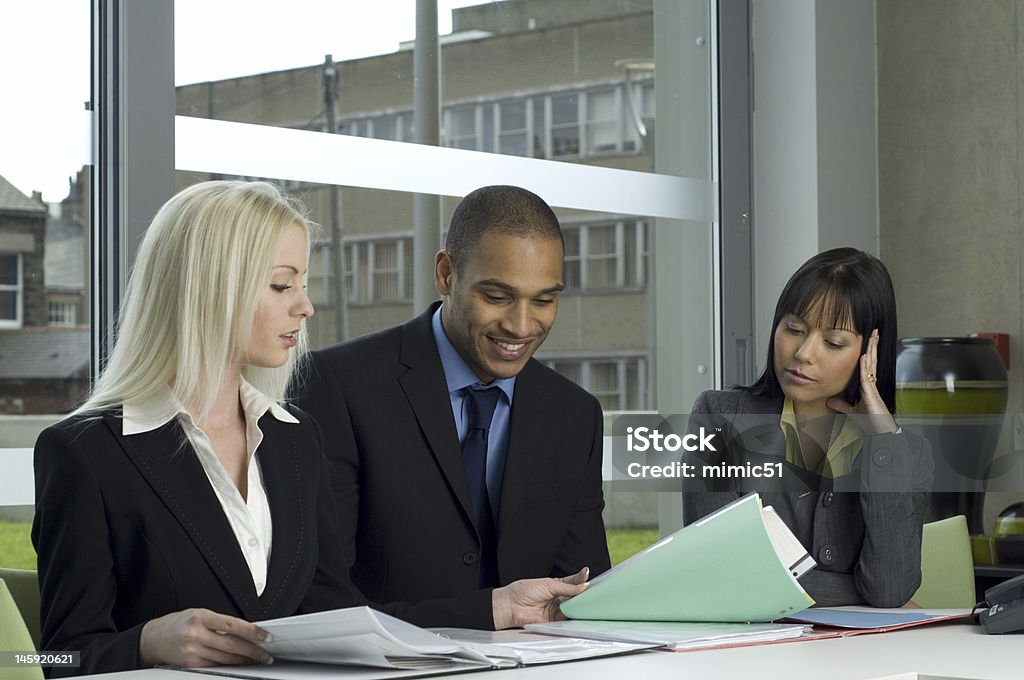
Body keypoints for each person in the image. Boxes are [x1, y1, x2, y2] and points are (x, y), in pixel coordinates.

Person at [31, 181, 583, 677]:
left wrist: (498, 607)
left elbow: (338, 619)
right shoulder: (84, 454)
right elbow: (43, 657)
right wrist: (147, 643)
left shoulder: (294, 438)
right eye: (280, 285)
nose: (306, 306)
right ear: (208, 287)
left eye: (303, 283)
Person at [292, 185, 611, 630]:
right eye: (497, 297)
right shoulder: (338, 386)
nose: (521, 325)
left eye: (544, 300)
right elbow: (319, 601)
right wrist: (488, 611)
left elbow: (584, 591)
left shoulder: (574, 415)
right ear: (445, 273)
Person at [681, 247, 933, 607]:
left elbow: (889, 589)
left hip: (858, 658)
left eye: (833, 342)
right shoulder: (718, 418)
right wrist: (856, 595)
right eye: (794, 329)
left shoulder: (899, 453)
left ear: (870, 352)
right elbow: (720, 573)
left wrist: (881, 437)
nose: (803, 353)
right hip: (747, 655)